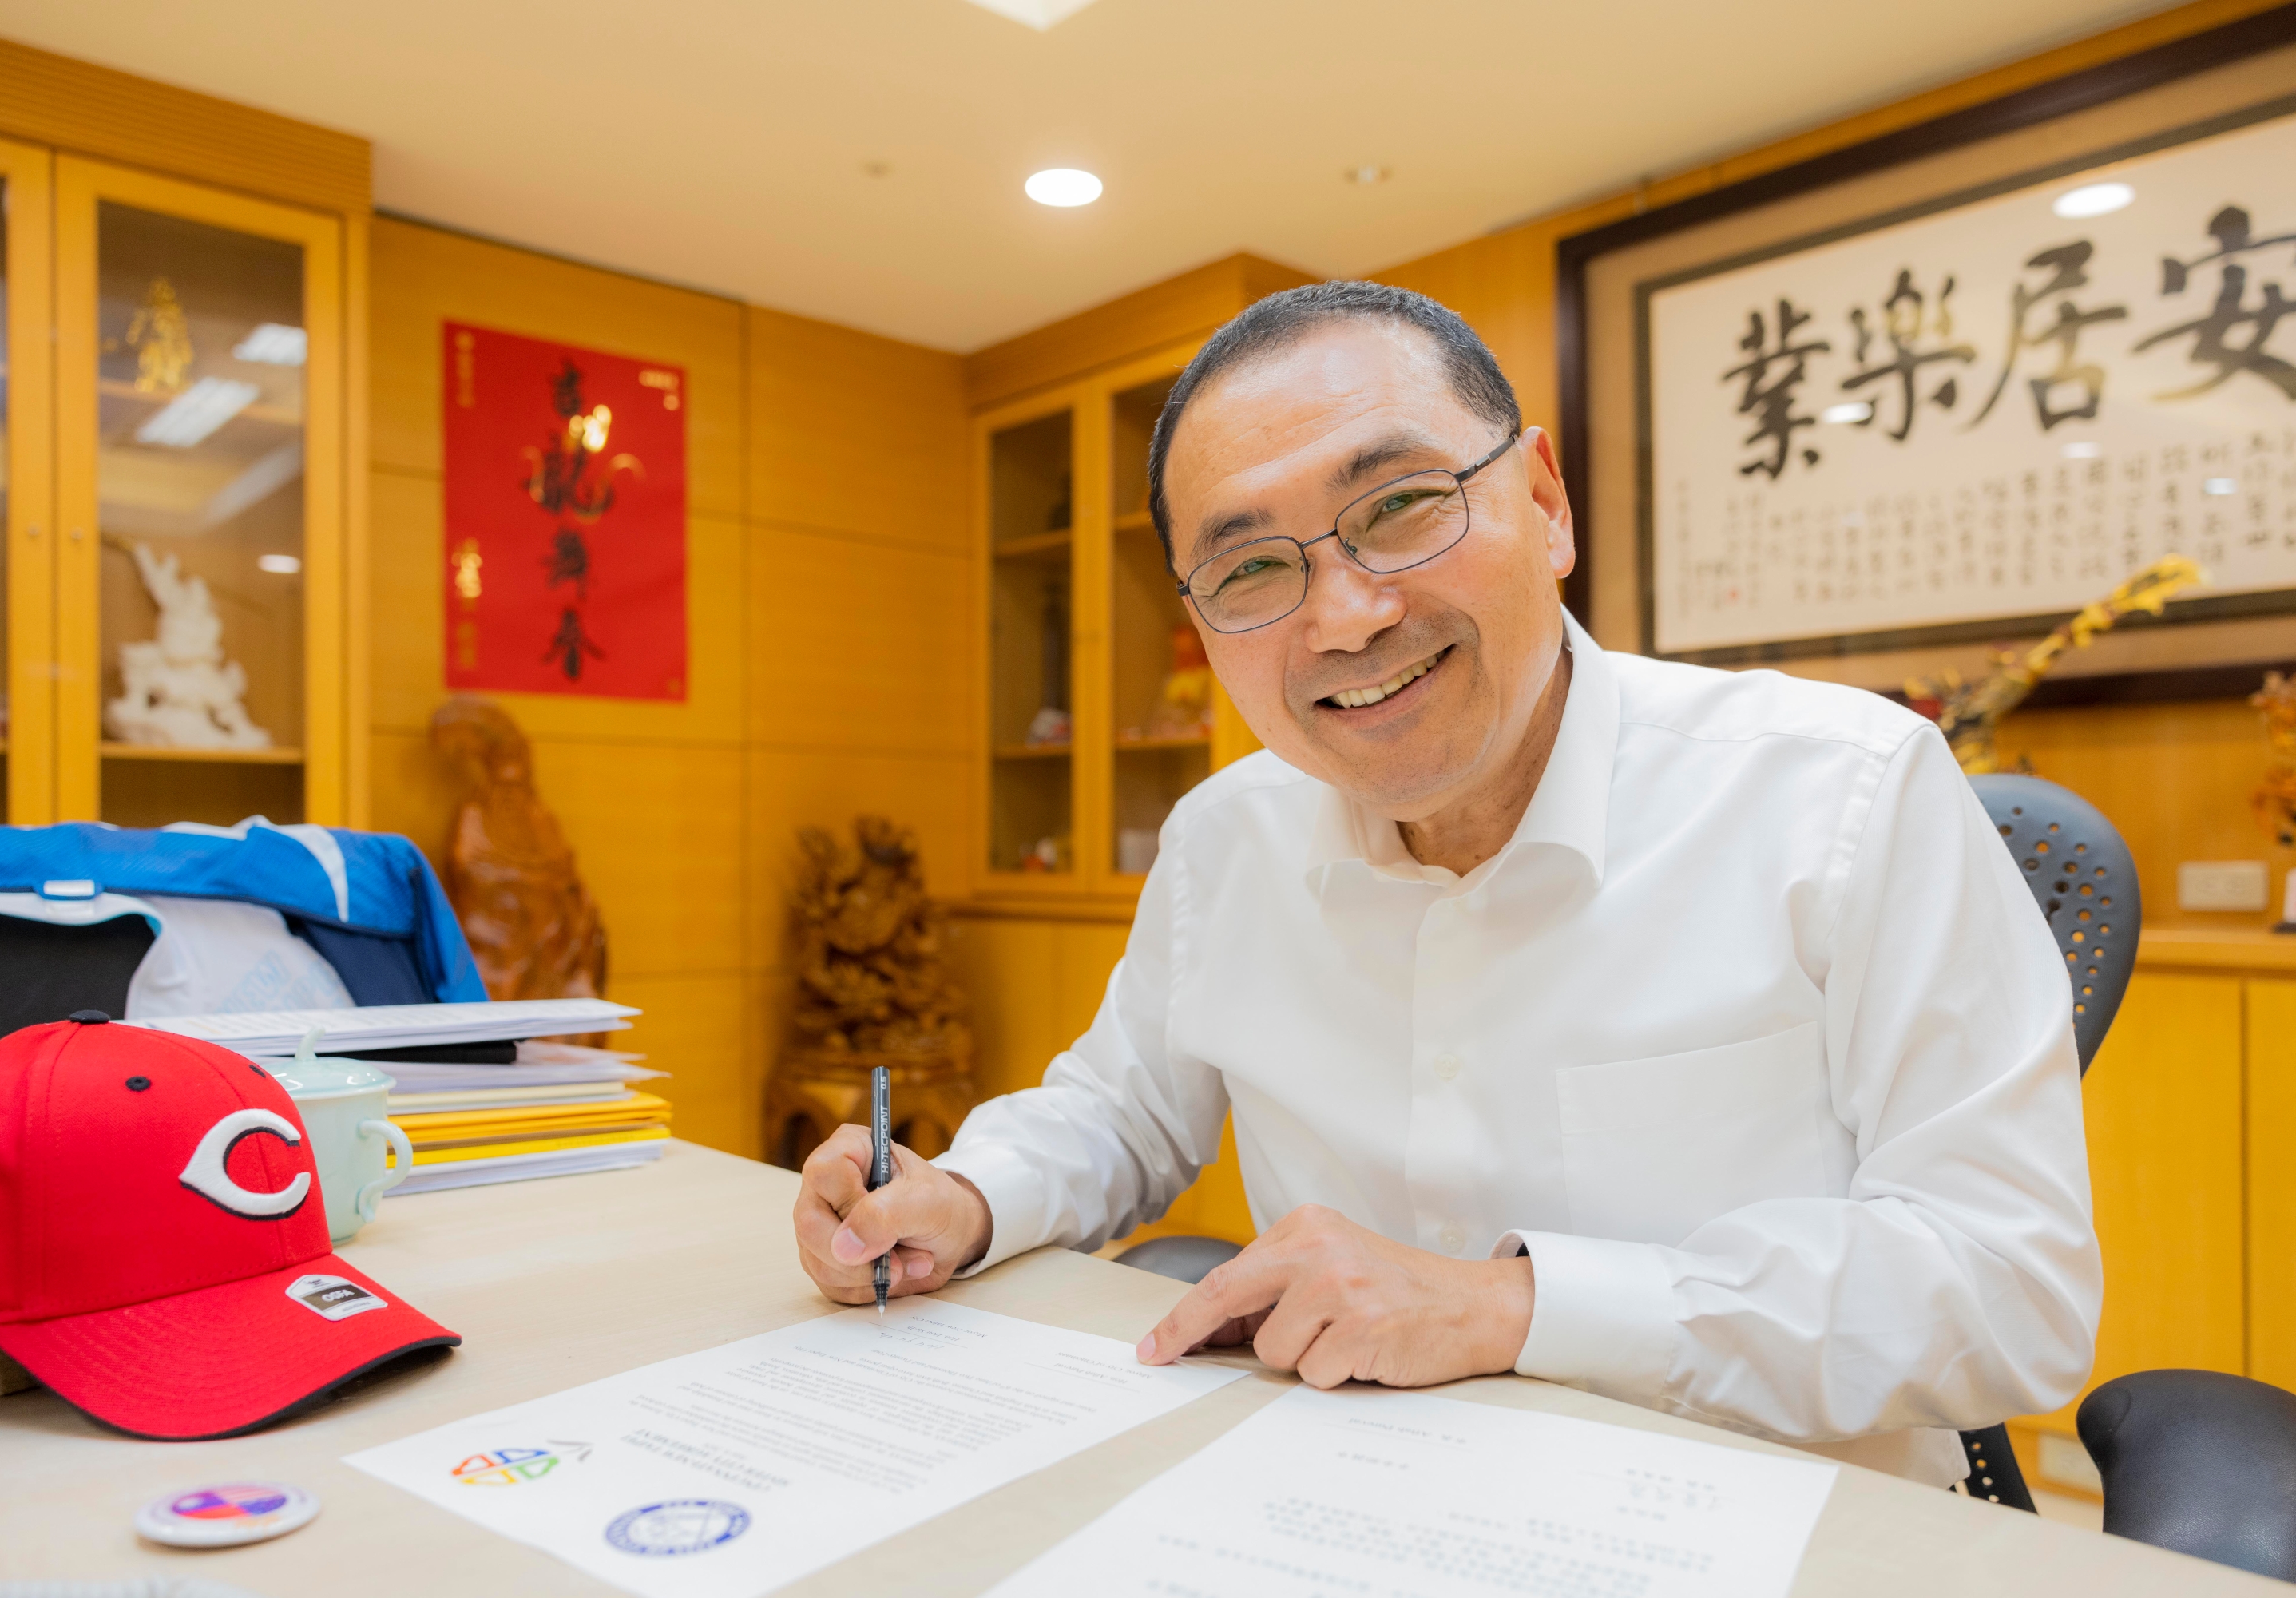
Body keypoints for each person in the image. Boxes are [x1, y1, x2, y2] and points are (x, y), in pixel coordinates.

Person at [791, 281, 2098, 1485]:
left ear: (1546, 502)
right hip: (1346, 1505)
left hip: (1754, 1515)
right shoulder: (1226, 839)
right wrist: (962, 1196)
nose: (1345, 615)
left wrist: (1509, 1305)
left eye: (1402, 507)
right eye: (1251, 568)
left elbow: (2010, 1284)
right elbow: (1123, 1113)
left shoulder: (1845, 793)